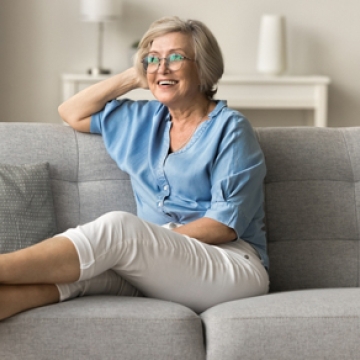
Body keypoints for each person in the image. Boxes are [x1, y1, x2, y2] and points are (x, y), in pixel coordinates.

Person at [0, 16, 269, 321]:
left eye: (176, 57)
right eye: (153, 59)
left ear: (203, 67)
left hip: (231, 264)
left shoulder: (230, 129)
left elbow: (223, 225)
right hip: (155, 264)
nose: (162, 68)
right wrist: (133, 76)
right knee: (65, 281)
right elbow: (70, 111)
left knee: (119, 229)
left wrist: (148, 241)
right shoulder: (140, 120)